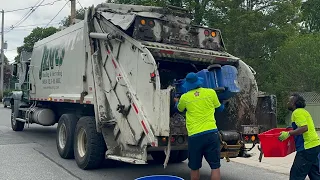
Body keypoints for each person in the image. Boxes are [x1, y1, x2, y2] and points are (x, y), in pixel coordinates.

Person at [174, 72, 224, 180]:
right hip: (211, 133)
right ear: (198, 82)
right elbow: (220, 108)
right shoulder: (211, 93)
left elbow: (179, 109)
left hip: (195, 136)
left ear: (187, 85)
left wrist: (176, 102)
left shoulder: (185, 97)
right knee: (215, 167)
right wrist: (222, 102)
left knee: (194, 167)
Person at [278, 93, 320, 180]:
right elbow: (302, 126)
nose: (288, 103)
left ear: (295, 103)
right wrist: (292, 128)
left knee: (295, 176)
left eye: (290, 101)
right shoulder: (304, 111)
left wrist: (289, 133)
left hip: (306, 148)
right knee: (315, 175)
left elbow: (304, 128)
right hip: (315, 146)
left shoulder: (297, 112)